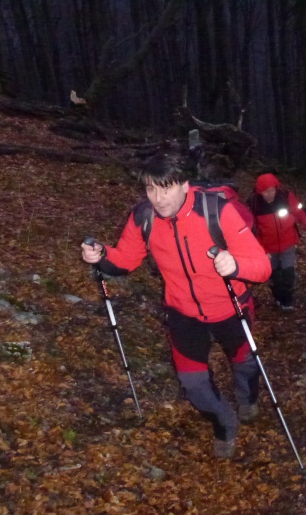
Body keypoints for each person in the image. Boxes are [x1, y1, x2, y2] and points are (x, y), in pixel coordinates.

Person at [81, 150, 271, 459]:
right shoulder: (143, 217)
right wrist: (102, 255)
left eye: (165, 188)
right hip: (183, 313)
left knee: (246, 363)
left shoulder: (217, 212)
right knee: (193, 384)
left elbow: (262, 267)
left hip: (231, 307)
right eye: (150, 189)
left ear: (184, 184)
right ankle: (224, 423)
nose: (158, 198)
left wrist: (235, 265)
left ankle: (247, 398)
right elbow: (126, 260)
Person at [246, 173, 306, 311]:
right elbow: (252, 231)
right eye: (266, 191)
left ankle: (287, 302)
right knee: (274, 276)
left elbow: (299, 211)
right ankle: (278, 297)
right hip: (268, 248)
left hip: (287, 243)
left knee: (288, 274)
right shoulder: (254, 204)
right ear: (260, 191)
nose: (270, 194)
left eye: (272, 190)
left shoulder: (285, 196)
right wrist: (261, 251)